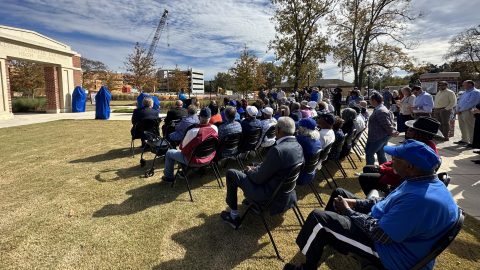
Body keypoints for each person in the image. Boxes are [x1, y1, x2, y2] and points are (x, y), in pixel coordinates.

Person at [285, 140, 458, 270]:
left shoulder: (420, 200)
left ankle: (308, 265)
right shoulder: (418, 180)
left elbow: (380, 234)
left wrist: (349, 211)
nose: (391, 160)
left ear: (410, 166)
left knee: (318, 218)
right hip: (390, 232)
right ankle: (328, 238)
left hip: (391, 253)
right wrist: (355, 203)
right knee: (340, 193)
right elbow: (385, 202)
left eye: (395, 157)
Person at [220, 117, 304, 228]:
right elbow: (274, 168)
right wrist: (256, 168)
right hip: (284, 191)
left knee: (231, 173)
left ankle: (234, 216)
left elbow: (258, 179)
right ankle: (248, 199)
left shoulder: (278, 150)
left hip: (268, 195)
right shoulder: (298, 146)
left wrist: (249, 172)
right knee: (255, 164)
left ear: (278, 130)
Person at [358, 117, 442, 196]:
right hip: (401, 173)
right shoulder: (419, 143)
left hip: (403, 179)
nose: (408, 130)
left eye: (412, 129)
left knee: (365, 178)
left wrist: (382, 169)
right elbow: (397, 159)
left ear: (421, 134)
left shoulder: (420, 149)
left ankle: (386, 196)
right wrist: (383, 166)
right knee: (367, 168)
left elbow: (403, 170)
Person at [161, 108, 218, 182]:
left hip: (194, 161)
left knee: (169, 153)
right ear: (210, 117)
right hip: (209, 158)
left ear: (199, 116)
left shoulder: (193, 131)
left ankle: (168, 177)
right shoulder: (215, 128)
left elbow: (182, 147)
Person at [365, 92, 399, 165]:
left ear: (374, 100)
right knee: (380, 153)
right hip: (380, 136)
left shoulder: (380, 110)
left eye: (370, 100)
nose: (369, 102)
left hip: (378, 137)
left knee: (369, 153)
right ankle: (384, 169)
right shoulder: (381, 108)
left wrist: (392, 132)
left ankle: (369, 171)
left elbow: (386, 124)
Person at [296, 118, 322, 185]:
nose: (298, 128)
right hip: (311, 173)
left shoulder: (300, 140)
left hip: (300, 176)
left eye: (299, 126)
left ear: (303, 129)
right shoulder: (317, 140)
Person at [455, 80, 480, 146]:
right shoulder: (464, 92)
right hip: (461, 111)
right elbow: (459, 101)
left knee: (470, 127)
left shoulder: (475, 92)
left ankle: (472, 142)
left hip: (468, 111)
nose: (463, 86)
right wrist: (457, 109)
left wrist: (461, 110)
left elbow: (471, 103)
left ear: (470, 85)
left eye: (464, 84)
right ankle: (464, 140)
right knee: (462, 126)